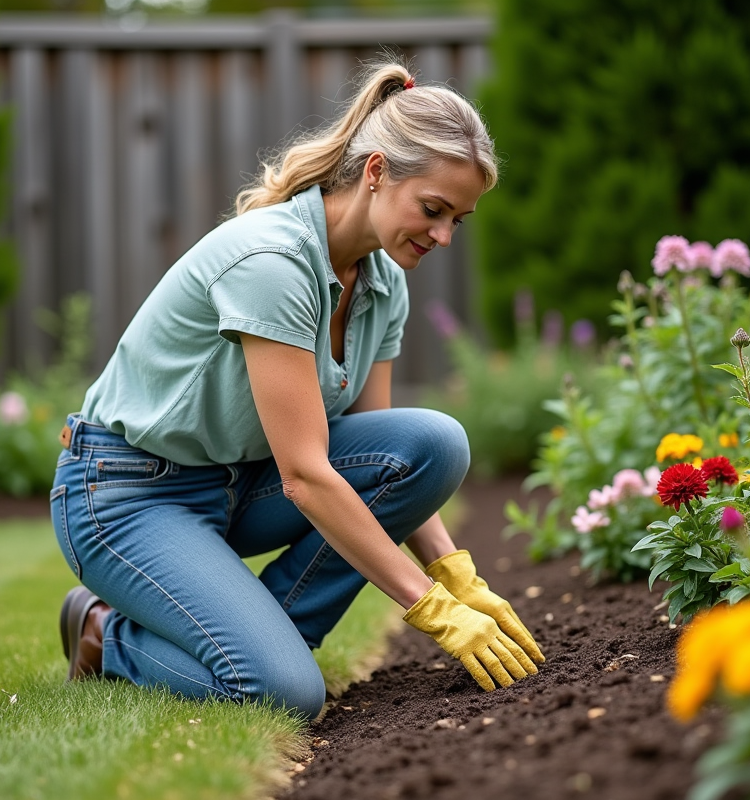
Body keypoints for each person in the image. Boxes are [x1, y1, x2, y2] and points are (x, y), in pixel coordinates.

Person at [51, 59, 544, 721]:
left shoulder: (383, 278)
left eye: (459, 219)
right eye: (434, 210)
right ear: (375, 173)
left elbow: (387, 463)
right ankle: (103, 635)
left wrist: (456, 571)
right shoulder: (275, 263)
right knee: (284, 692)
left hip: (234, 484)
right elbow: (307, 476)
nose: (444, 236)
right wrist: (432, 609)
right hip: (129, 492)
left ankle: (259, 640)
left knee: (435, 446)